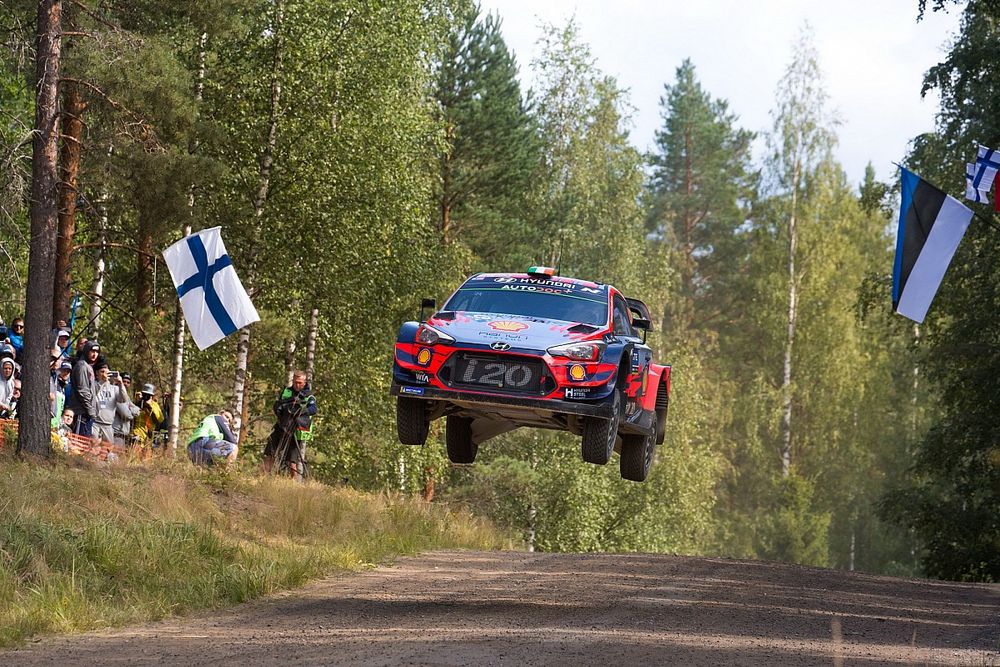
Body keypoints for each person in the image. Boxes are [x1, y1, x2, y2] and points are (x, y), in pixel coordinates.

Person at [263, 370, 317, 481]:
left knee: (291, 462)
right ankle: (263, 478)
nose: (297, 385)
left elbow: (313, 409)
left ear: (304, 382)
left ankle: (293, 485)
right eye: (296, 382)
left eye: (300, 383)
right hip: (282, 426)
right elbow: (279, 404)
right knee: (269, 453)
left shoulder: (309, 395)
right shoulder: (287, 392)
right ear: (292, 381)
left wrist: (301, 410)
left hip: (296, 431)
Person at [66, 341, 100, 436]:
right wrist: (91, 411)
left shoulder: (88, 366)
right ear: (86, 351)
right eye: (92, 351)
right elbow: (83, 391)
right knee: (79, 444)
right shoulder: (82, 366)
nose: (94, 354)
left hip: (86, 413)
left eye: (97, 352)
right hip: (81, 412)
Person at [93, 362, 127, 443]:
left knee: (107, 451)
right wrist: (102, 382)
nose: (104, 375)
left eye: (107, 373)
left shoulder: (114, 389)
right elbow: (93, 393)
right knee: (92, 448)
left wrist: (121, 384)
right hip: (95, 423)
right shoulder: (93, 385)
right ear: (96, 373)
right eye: (102, 372)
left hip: (108, 426)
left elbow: (123, 399)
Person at [131, 383, 165, 448]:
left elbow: (160, 420)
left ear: (152, 395)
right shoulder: (137, 404)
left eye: (148, 395)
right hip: (137, 436)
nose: (146, 396)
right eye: (144, 394)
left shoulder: (155, 405)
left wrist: (150, 409)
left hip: (148, 437)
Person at [113, 373, 140, 446]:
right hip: (115, 434)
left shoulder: (126, 396)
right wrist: (131, 411)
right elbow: (127, 415)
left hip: (122, 435)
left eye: (128, 382)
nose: (125, 384)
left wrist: (130, 409)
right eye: (124, 381)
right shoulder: (116, 392)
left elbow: (137, 409)